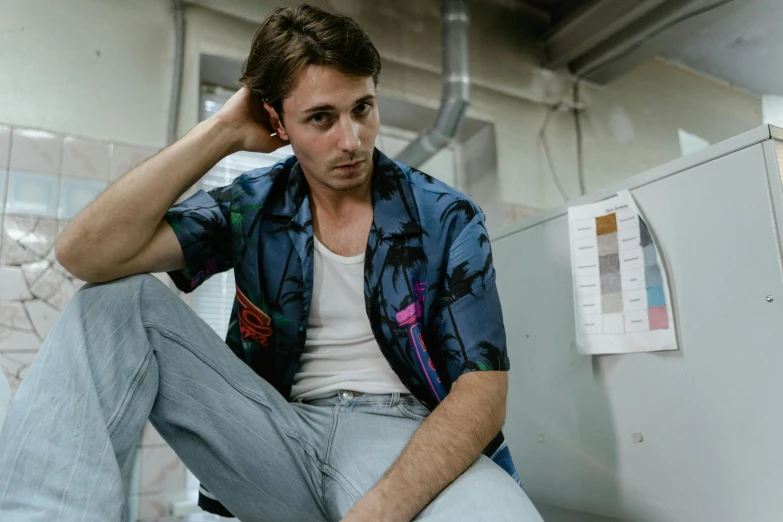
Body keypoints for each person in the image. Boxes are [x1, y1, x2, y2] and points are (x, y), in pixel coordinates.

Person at [0, 4, 543, 521]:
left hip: (403, 437)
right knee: (114, 303)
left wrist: (376, 512)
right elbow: (85, 255)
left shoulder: (446, 215)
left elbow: (482, 393)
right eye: (320, 118)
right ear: (277, 122)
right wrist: (225, 131)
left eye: (362, 108)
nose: (351, 140)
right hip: (274, 435)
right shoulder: (252, 205)